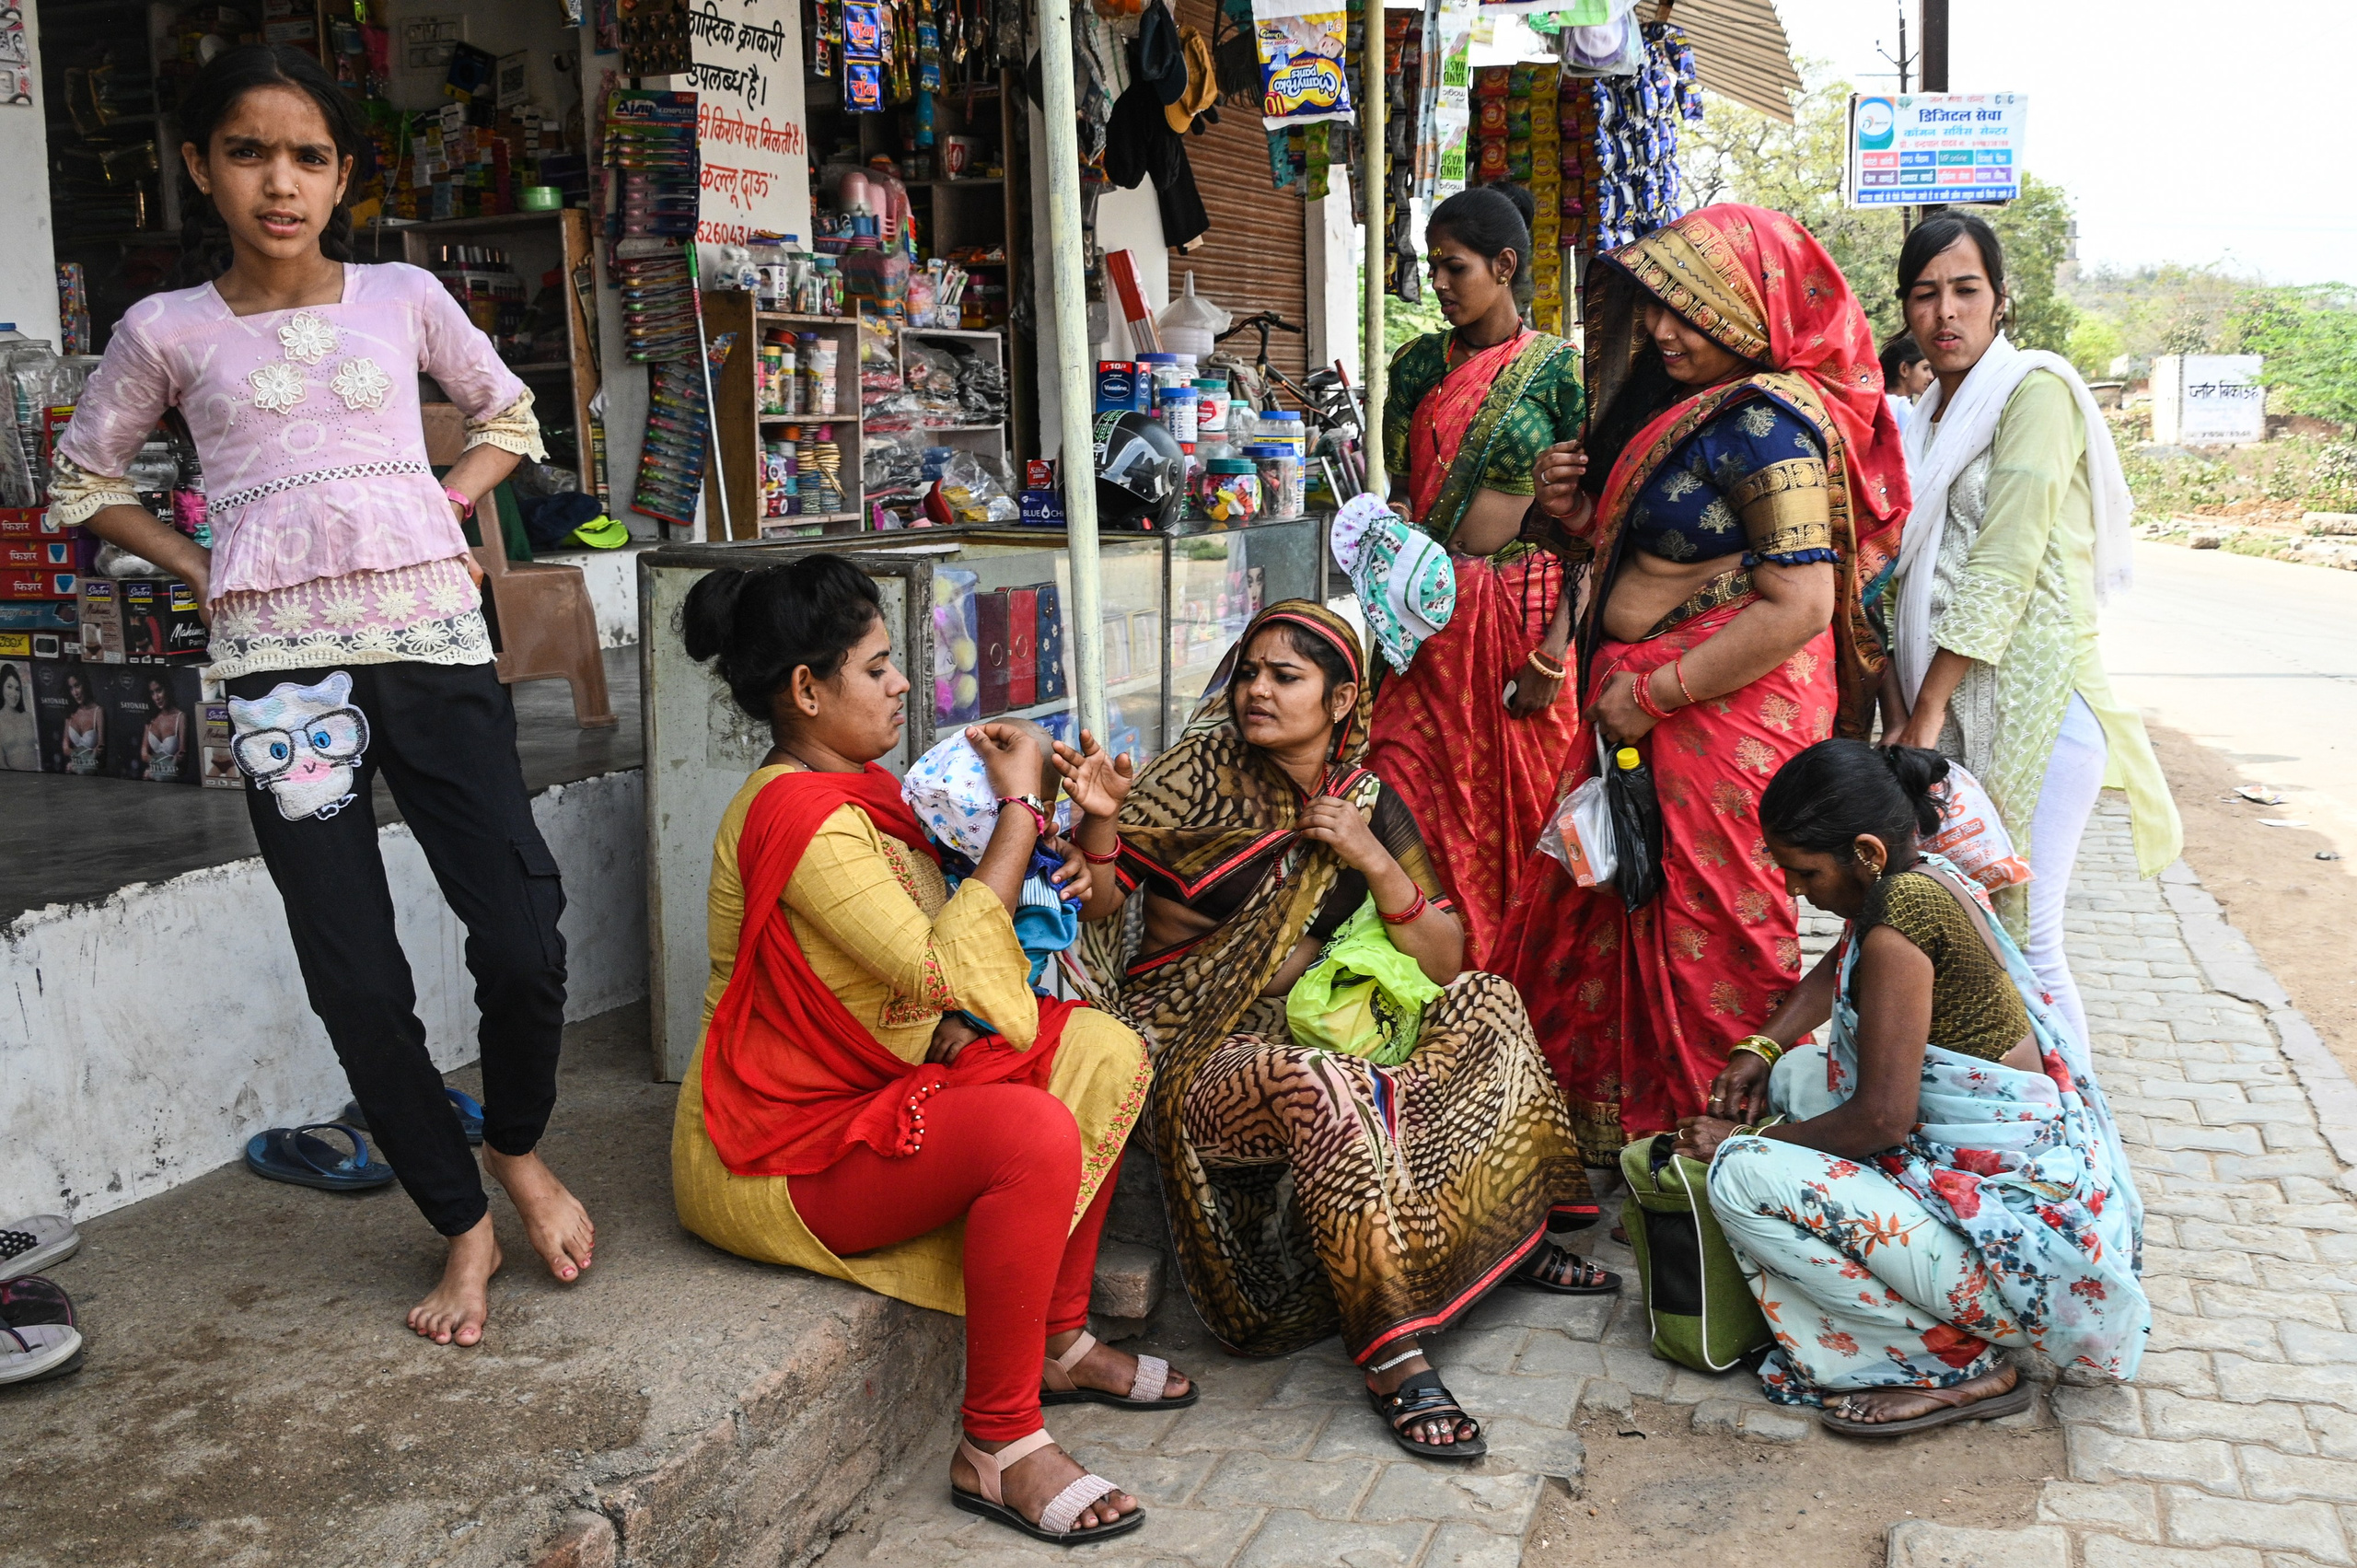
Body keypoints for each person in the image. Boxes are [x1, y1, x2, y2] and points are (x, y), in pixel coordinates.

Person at [49, 44, 585, 1346]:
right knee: (353, 970)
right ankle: (458, 1215)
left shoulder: (402, 295)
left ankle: (518, 1146)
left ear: (343, 175)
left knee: (520, 935)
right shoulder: (162, 330)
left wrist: (438, 505)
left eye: (306, 157)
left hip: (436, 642)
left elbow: (509, 415)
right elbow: (81, 479)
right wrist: (202, 558)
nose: (277, 183)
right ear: (198, 168)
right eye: (247, 153)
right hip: (284, 674)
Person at [671, 556, 1183, 1547]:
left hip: (873, 1081)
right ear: (807, 690)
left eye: (894, 662)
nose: (902, 682)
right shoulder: (800, 816)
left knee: (1105, 1048)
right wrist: (1020, 808)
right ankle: (996, 1441)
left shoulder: (861, 789)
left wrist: (1070, 841)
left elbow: (947, 948)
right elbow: (947, 966)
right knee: (1029, 1133)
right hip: (770, 1144)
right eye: (875, 667)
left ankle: (1057, 1337)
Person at [1062, 600, 1608, 1462]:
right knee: (1324, 1085)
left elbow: (1441, 957)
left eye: (1286, 676)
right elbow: (1096, 903)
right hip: (1196, 1043)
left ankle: (1510, 1236)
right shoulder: (1188, 778)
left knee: (1488, 1002)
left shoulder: (1366, 800)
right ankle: (1394, 1352)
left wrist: (1369, 855)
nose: (1257, 692)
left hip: (1338, 1020)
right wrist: (1099, 818)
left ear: (1343, 696)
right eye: (1248, 672)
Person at [1492, 203, 1910, 1164]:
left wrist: (1656, 691)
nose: (1664, 331)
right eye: (1656, 310)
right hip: (1652, 717)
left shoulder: (1767, 424)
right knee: (1625, 917)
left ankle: (1718, 1153)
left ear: (1752, 307)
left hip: (1710, 723)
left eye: (1688, 310)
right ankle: (1634, 1131)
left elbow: (1801, 603)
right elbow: (1657, 552)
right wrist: (1573, 513)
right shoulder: (1701, 414)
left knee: (1711, 933)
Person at [1676, 739, 2146, 1435]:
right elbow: (1845, 957)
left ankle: (1954, 1364)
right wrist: (1762, 1047)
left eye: (1804, 872)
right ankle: (1936, 1320)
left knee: (1743, 1176)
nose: (1796, 891)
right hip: (2031, 1209)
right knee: (1802, 1072)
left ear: (1865, 851)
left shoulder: (1902, 923)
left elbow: (1880, 1123)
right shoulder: (1927, 879)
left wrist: (1743, 1138)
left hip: (2012, 1261)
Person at [1881, 212, 2178, 1052]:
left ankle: (2077, 1144)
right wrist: (1906, 707)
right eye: (1925, 294)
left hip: (2035, 706)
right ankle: (2008, 1125)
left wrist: (1924, 711)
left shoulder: (2035, 392)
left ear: (2001, 300)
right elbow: (1901, 576)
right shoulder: (1926, 417)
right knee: (1972, 934)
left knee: (2026, 938)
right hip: (1945, 710)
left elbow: (2003, 563)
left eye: (1966, 291)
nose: (1946, 313)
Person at [1370, 182, 1586, 969]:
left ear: (1504, 265)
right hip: (1426, 613)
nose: (1438, 283)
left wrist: (1554, 654)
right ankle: (1433, 961)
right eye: (1431, 267)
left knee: (1529, 800)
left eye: (1454, 267)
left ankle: (1529, 970)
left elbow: (1588, 534)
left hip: (1523, 617)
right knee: (1406, 779)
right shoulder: (1418, 364)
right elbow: (1402, 488)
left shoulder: (1561, 372)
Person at [1879, 333, 1932, 436]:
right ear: (1904, 369)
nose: (1930, 376)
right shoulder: (1902, 409)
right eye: (1925, 368)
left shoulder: (1879, 405)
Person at [141, 675, 187, 783]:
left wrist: (156, 770)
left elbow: (182, 753)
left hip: (174, 779)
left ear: (167, 689)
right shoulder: (151, 720)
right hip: (154, 779)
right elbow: (144, 754)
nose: (156, 697)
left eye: (159, 690)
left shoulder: (180, 717)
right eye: (152, 693)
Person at [59, 671, 103, 775]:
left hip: (92, 770)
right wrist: (79, 760)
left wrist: (83, 763)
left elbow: (100, 747)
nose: (75, 693)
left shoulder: (98, 711)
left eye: (77, 686)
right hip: (73, 770)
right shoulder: (70, 713)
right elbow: (65, 748)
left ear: (85, 685)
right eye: (71, 688)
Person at [0, 664, 35, 772]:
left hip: (38, 776)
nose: (14, 694)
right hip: (14, 780)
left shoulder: (28, 717)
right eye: (9, 687)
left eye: (17, 689)